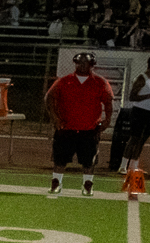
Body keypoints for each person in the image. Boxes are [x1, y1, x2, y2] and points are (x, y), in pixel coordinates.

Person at [44, 50, 114, 197]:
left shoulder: (100, 82)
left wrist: (107, 120)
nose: (82, 65)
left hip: (89, 128)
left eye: (85, 63)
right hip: (66, 127)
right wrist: (55, 118)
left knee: (89, 160)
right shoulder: (64, 81)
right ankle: (56, 182)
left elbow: (108, 102)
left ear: (92, 65)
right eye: (79, 63)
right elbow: (49, 97)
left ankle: (87, 184)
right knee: (60, 159)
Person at [115, 69, 150, 184]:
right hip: (139, 111)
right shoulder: (142, 78)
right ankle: (123, 166)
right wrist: (148, 95)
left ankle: (134, 165)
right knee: (134, 138)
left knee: (142, 139)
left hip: (149, 113)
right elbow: (132, 96)